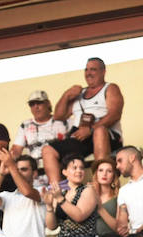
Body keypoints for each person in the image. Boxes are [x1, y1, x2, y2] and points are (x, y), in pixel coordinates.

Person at [41, 58, 124, 186]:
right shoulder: (79, 93)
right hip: (80, 134)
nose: (89, 73)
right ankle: (58, 193)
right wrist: (66, 95)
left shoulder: (110, 88)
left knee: (99, 131)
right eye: (86, 69)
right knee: (47, 150)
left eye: (93, 69)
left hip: (106, 133)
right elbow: (58, 116)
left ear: (103, 72)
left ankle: (101, 186)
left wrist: (91, 129)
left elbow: (115, 114)